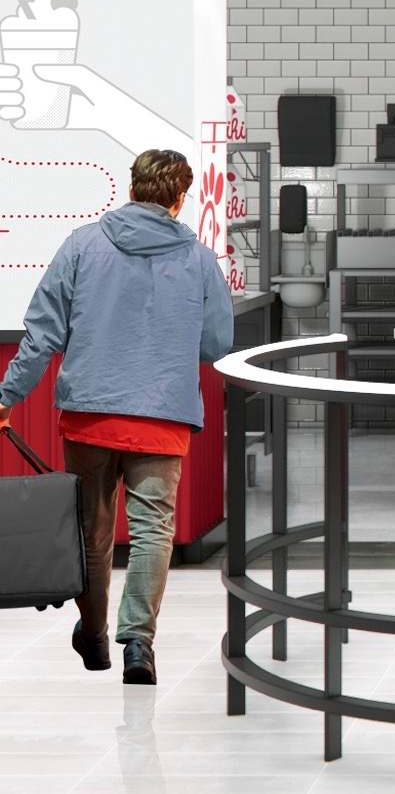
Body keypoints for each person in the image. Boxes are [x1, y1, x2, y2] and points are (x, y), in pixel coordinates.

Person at [0, 149, 234, 685]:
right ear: (179, 199)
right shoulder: (200, 260)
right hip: (163, 417)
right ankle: (139, 646)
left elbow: (42, 336)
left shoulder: (82, 245)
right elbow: (217, 343)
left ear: (131, 189)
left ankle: (95, 634)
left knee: (92, 529)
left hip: (91, 415)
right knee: (153, 530)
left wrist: (7, 397)